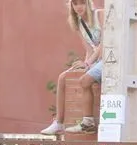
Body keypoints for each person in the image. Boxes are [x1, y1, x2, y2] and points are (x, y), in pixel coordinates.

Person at [42, 0, 103, 134]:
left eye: (82, 3)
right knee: (63, 77)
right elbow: (89, 49)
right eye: (75, 4)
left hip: (108, 58)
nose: (79, 7)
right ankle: (58, 123)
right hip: (96, 60)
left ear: (88, 3)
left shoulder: (99, 15)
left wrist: (88, 64)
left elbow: (105, 43)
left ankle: (87, 122)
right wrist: (84, 65)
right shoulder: (79, 24)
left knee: (85, 80)